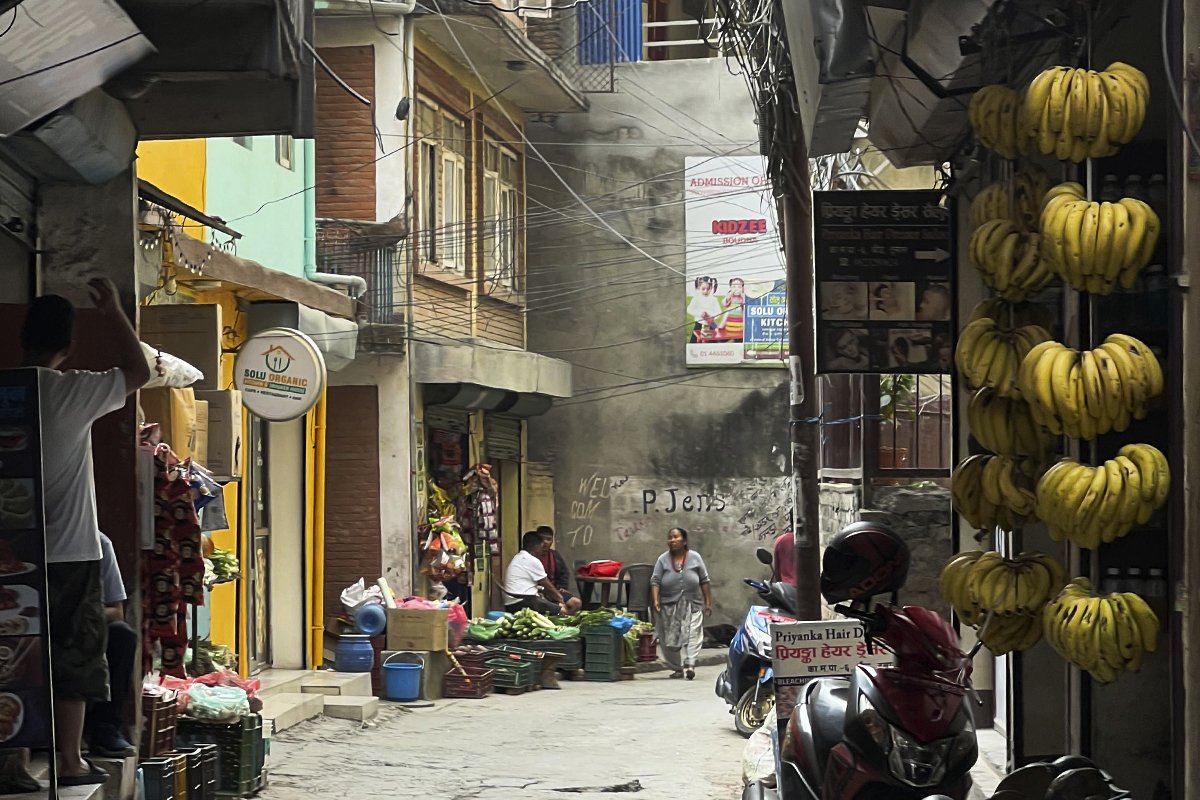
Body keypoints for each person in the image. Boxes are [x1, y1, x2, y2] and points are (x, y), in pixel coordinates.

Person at [17, 280, 149, 787]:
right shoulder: (74, 390)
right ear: (68, 347)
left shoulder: (7, 391)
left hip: (9, 551)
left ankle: (12, 761)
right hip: (71, 553)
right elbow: (138, 371)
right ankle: (69, 761)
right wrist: (115, 311)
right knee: (73, 653)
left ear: (22, 338)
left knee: (13, 653)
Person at [85, 534, 138, 758]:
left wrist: (82, 616)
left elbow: (116, 611)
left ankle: (105, 729)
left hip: (86, 625)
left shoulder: (99, 543)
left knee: (122, 635)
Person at [650, 527, 712, 680]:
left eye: (675, 537)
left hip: (692, 603)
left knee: (693, 632)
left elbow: (704, 581)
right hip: (669, 604)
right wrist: (656, 600)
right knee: (668, 638)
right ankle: (676, 668)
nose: (672, 540)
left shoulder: (695, 557)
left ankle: (690, 663)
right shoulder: (662, 560)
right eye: (670, 537)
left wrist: (708, 602)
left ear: (684, 541)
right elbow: (655, 581)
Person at [503, 531, 571, 616]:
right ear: (536, 546)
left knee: (553, 605)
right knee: (563, 610)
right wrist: (560, 599)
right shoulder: (532, 560)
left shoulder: (519, 557)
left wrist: (542, 589)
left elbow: (525, 583)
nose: (542, 550)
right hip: (523, 602)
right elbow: (548, 586)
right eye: (541, 546)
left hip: (513, 601)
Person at [537, 526, 581, 613]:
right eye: (542, 539)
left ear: (552, 540)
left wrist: (562, 587)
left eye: (548, 539)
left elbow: (564, 574)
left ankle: (566, 624)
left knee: (576, 603)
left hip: (555, 590)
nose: (545, 542)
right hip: (539, 592)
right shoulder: (532, 556)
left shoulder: (554, 555)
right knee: (562, 608)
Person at [688, 276, 721, 341]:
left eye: (708, 289)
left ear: (711, 288)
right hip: (699, 324)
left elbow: (719, 311)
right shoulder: (696, 299)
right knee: (695, 341)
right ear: (699, 288)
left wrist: (712, 316)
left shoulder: (714, 299)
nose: (705, 291)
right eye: (703, 289)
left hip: (710, 325)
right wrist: (699, 313)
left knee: (711, 342)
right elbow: (689, 309)